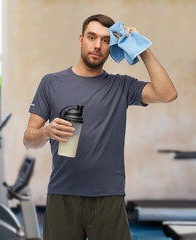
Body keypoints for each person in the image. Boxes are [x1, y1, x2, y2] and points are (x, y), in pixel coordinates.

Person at [23, 14, 177, 240]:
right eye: (92, 37)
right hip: (62, 194)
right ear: (80, 40)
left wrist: (141, 47)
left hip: (108, 197)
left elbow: (167, 94)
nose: (97, 45)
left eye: (106, 40)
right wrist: (46, 131)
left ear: (112, 45)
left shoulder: (121, 86)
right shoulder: (51, 83)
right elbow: (28, 139)